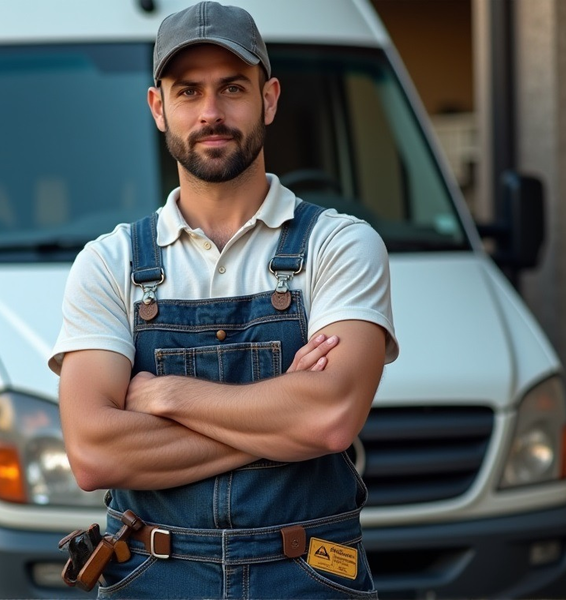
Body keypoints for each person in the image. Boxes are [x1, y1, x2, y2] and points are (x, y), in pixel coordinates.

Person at [49, 2, 399, 597]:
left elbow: (331, 418)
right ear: (159, 108)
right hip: (150, 575)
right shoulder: (108, 264)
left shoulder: (341, 245)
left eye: (233, 87)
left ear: (269, 98)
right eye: (188, 91)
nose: (211, 113)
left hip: (309, 574)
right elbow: (94, 454)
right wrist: (282, 414)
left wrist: (166, 395)